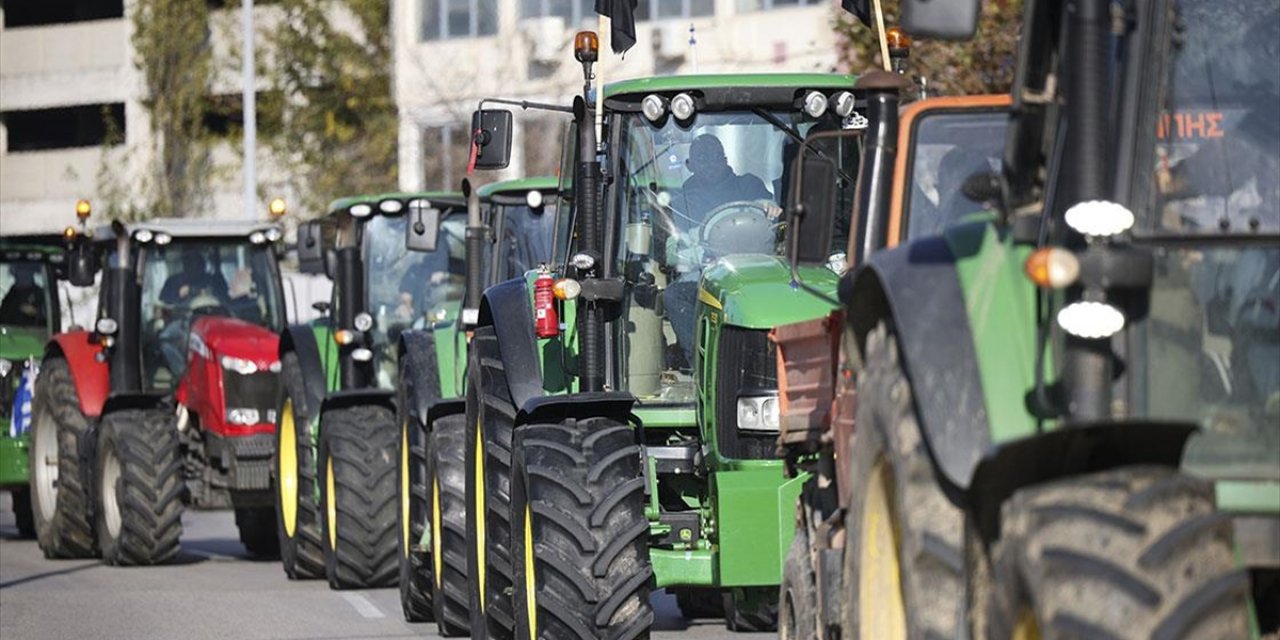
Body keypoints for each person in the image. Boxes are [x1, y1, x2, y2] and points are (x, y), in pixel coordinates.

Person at [679, 134, 774, 223]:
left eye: (717, 157)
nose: (711, 164)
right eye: (702, 158)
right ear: (689, 165)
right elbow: (676, 232)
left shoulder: (750, 186)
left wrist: (767, 206)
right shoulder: (682, 201)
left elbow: (772, 217)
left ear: (725, 161)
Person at [0, 264, 47, 328]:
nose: (21, 275)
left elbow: (51, 317)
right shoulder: (11, 295)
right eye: (18, 271)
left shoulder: (40, 294)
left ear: (31, 273)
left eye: (26, 271)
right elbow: (3, 319)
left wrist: (35, 312)